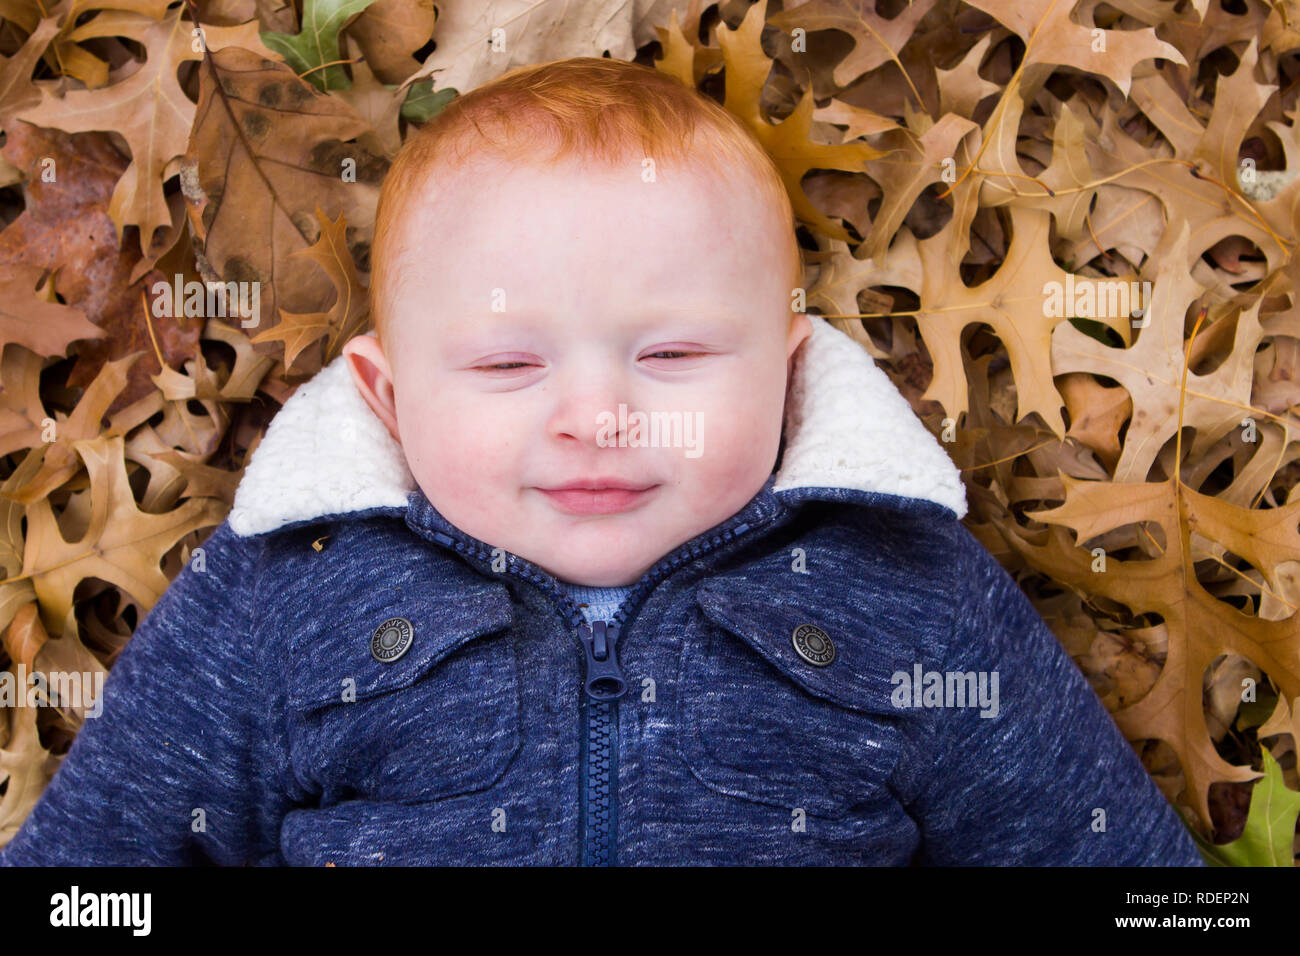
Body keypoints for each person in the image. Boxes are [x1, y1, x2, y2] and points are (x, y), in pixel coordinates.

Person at [0, 57, 1205, 865]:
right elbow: (93, 869)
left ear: (786, 369)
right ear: (388, 392)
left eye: (672, 351)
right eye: (506, 366)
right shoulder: (284, 592)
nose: (596, 417)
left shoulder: (906, 590)